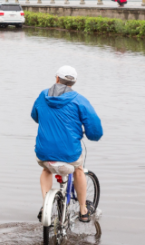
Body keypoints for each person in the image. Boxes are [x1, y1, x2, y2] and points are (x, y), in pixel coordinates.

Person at [31, 65, 103, 222]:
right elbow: (95, 130)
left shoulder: (43, 95)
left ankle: (46, 207)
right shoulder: (80, 100)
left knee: (46, 169)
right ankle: (83, 210)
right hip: (69, 154)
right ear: (74, 82)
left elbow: (35, 115)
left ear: (57, 78)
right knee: (78, 169)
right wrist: (91, 135)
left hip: (43, 153)